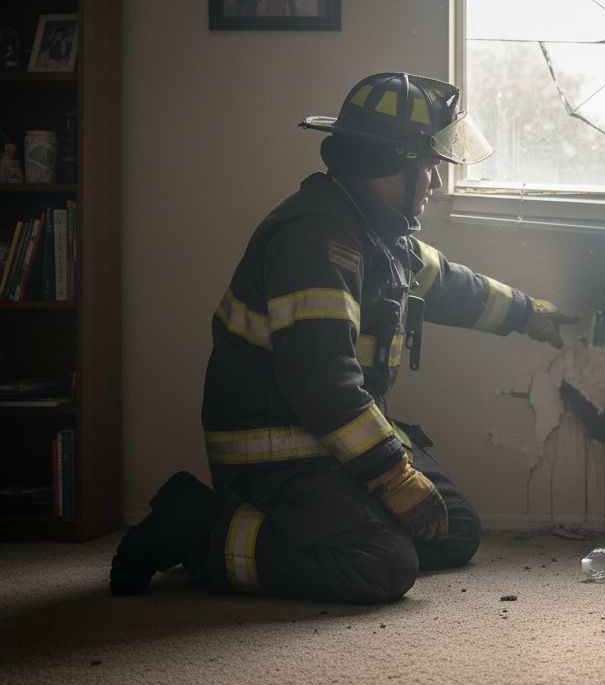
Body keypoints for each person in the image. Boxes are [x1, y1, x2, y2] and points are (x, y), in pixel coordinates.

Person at [109, 73, 576, 604]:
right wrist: (392, 478)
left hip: (330, 442)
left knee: (454, 529)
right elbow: (322, 384)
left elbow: (445, 283)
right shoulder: (318, 239)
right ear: (392, 164)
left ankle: (334, 526)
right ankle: (196, 527)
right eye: (429, 166)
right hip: (277, 455)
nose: (436, 183)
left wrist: (530, 314)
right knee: (382, 565)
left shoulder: (375, 228)